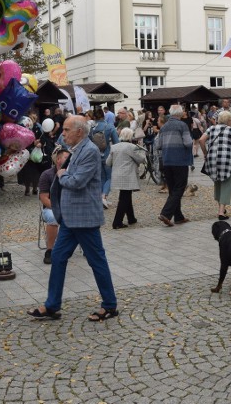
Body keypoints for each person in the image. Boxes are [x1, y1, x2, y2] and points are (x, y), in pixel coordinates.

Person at [28, 115, 118, 322]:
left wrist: (61, 174)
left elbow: (76, 181)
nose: (63, 133)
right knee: (58, 258)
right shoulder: (76, 150)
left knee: (97, 261)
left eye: (67, 130)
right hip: (70, 219)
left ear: (79, 131)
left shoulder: (90, 151)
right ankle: (52, 306)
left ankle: (110, 305)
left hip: (84, 218)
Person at [200, 111, 231, 220]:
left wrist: (206, 153)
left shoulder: (211, 128)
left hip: (212, 159)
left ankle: (221, 208)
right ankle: (221, 212)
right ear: (228, 120)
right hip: (227, 160)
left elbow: (201, 140)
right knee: (226, 184)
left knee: (217, 183)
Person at [156, 105, 193, 226]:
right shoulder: (182, 125)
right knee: (180, 187)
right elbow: (188, 143)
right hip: (180, 160)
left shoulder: (164, 126)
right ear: (180, 114)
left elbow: (158, 145)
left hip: (167, 161)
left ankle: (178, 216)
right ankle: (166, 213)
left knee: (173, 189)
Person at [106, 127, 147, 229]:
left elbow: (108, 162)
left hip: (117, 175)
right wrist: (141, 149)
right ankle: (117, 222)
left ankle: (131, 218)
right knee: (124, 199)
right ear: (130, 136)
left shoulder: (114, 147)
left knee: (126, 196)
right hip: (127, 176)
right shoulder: (132, 147)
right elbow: (141, 159)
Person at [38, 146, 68, 264]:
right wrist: (58, 208)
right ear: (58, 160)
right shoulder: (47, 175)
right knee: (53, 217)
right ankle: (50, 250)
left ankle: (88, 248)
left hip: (69, 207)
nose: (70, 159)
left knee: (83, 215)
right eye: (66, 157)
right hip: (51, 207)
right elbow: (44, 198)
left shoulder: (73, 173)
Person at [91, 108, 119, 208]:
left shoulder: (92, 128)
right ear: (104, 115)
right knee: (110, 177)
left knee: (102, 177)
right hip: (107, 155)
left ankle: (101, 199)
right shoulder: (109, 126)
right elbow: (117, 143)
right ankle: (103, 196)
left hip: (96, 156)